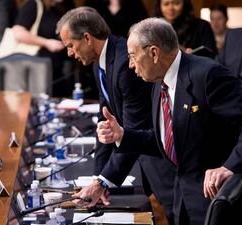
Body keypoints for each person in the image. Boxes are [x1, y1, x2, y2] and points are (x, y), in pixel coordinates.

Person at [99, 17, 242, 225]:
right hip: (181, 201)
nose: (130, 65)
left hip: (214, 201)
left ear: (154, 53)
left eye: (132, 56)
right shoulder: (159, 83)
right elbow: (168, 142)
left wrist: (229, 166)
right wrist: (123, 135)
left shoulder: (207, 75)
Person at [56, 7, 176, 224]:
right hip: (141, 154)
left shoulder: (124, 64)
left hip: (161, 160)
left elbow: (134, 129)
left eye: (71, 46)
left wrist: (102, 182)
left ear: (87, 38)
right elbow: (105, 123)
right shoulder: (98, 64)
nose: (70, 53)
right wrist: (98, 177)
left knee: (176, 215)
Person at [13, 0, 74, 97]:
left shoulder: (60, 7)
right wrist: (47, 43)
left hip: (57, 69)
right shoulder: (34, 4)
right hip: (36, 71)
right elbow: (18, 33)